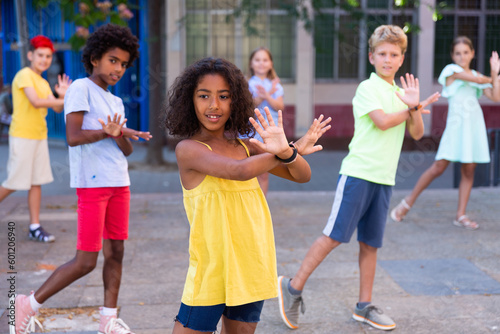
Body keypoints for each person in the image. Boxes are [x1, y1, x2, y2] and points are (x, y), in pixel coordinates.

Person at [277, 25, 440, 331]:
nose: (388, 59)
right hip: (358, 174)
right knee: (335, 235)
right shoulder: (368, 88)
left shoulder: (400, 94)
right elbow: (381, 122)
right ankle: (292, 286)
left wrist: (413, 108)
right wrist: (413, 108)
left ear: (402, 59)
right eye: (382, 54)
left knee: (370, 244)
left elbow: (417, 133)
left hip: (384, 178)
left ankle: (364, 306)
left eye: (394, 54)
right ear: (371, 57)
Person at [164, 57, 331, 334]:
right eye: (204, 96)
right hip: (211, 268)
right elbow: (238, 171)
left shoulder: (245, 145)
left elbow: (302, 175)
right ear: (189, 101)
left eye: (224, 96)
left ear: (236, 101)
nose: (214, 105)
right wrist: (290, 149)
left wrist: (289, 153)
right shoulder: (188, 149)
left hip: (251, 262)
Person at [11, 24, 151, 334]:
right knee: (85, 261)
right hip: (92, 184)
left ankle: (108, 320)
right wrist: (108, 131)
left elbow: (124, 149)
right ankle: (27, 303)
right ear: (96, 58)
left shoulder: (115, 102)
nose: (119, 69)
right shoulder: (80, 89)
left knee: (116, 252)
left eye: (125, 64)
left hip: (119, 182)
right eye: (113, 60)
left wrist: (122, 135)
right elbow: (73, 137)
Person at [390, 36, 500, 230]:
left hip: (473, 127)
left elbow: (495, 96)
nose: (462, 56)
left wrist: (493, 74)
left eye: (466, 52)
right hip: (456, 128)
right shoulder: (451, 71)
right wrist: (493, 76)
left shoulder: (476, 74)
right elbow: (476, 79)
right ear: (452, 55)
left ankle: (461, 214)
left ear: (473, 54)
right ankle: (406, 204)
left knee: (469, 169)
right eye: (458, 53)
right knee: (438, 167)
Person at [0, 36, 71, 242]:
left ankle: (35, 226)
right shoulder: (24, 75)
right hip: (22, 135)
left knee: (36, 182)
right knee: (14, 182)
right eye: (40, 55)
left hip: (40, 136)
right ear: (30, 55)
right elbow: (36, 101)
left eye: (48, 56)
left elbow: (56, 107)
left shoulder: (42, 81)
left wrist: (61, 95)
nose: (44, 59)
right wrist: (62, 99)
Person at [247, 47, 285, 195]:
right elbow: (250, 106)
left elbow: (279, 106)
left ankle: (262, 201)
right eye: (257, 60)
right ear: (251, 63)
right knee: (251, 168)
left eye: (265, 60)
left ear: (271, 64)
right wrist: (266, 93)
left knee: (264, 171)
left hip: (271, 131)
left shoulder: (276, 86)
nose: (261, 63)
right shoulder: (248, 84)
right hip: (253, 131)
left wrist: (268, 95)